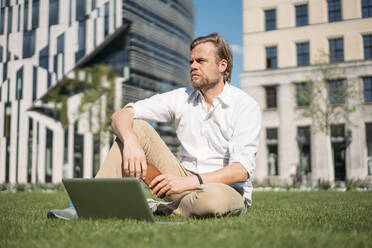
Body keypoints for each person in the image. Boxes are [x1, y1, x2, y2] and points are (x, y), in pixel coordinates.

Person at [48, 33, 261, 219]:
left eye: (201, 61)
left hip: (224, 189)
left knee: (212, 201)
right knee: (136, 126)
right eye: (191, 61)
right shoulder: (183, 97)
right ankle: (85, 206)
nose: (193, 66)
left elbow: (240, 171)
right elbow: (121, 115)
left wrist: (189, 183)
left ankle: (156, 207)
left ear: (222, 66)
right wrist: (131, 141)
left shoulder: (245, 106)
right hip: (180, 179)